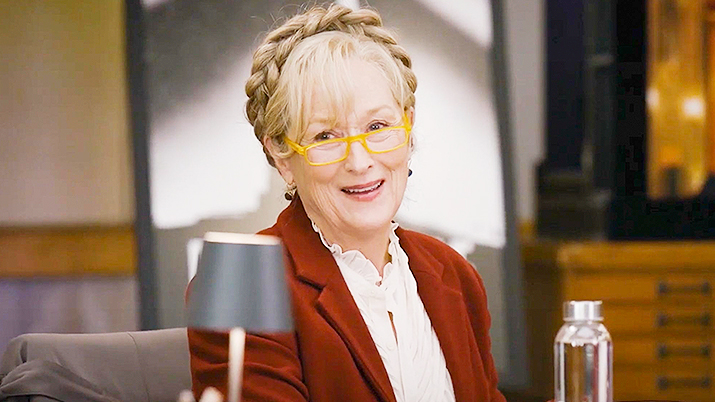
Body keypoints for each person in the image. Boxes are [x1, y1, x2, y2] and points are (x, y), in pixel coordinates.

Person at [188, 4, 506, 402]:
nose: (359, 161)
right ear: (282, 157)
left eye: (377, 127)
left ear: (408, 126)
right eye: (325, 136)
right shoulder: (245, 284)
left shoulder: (456, 275)